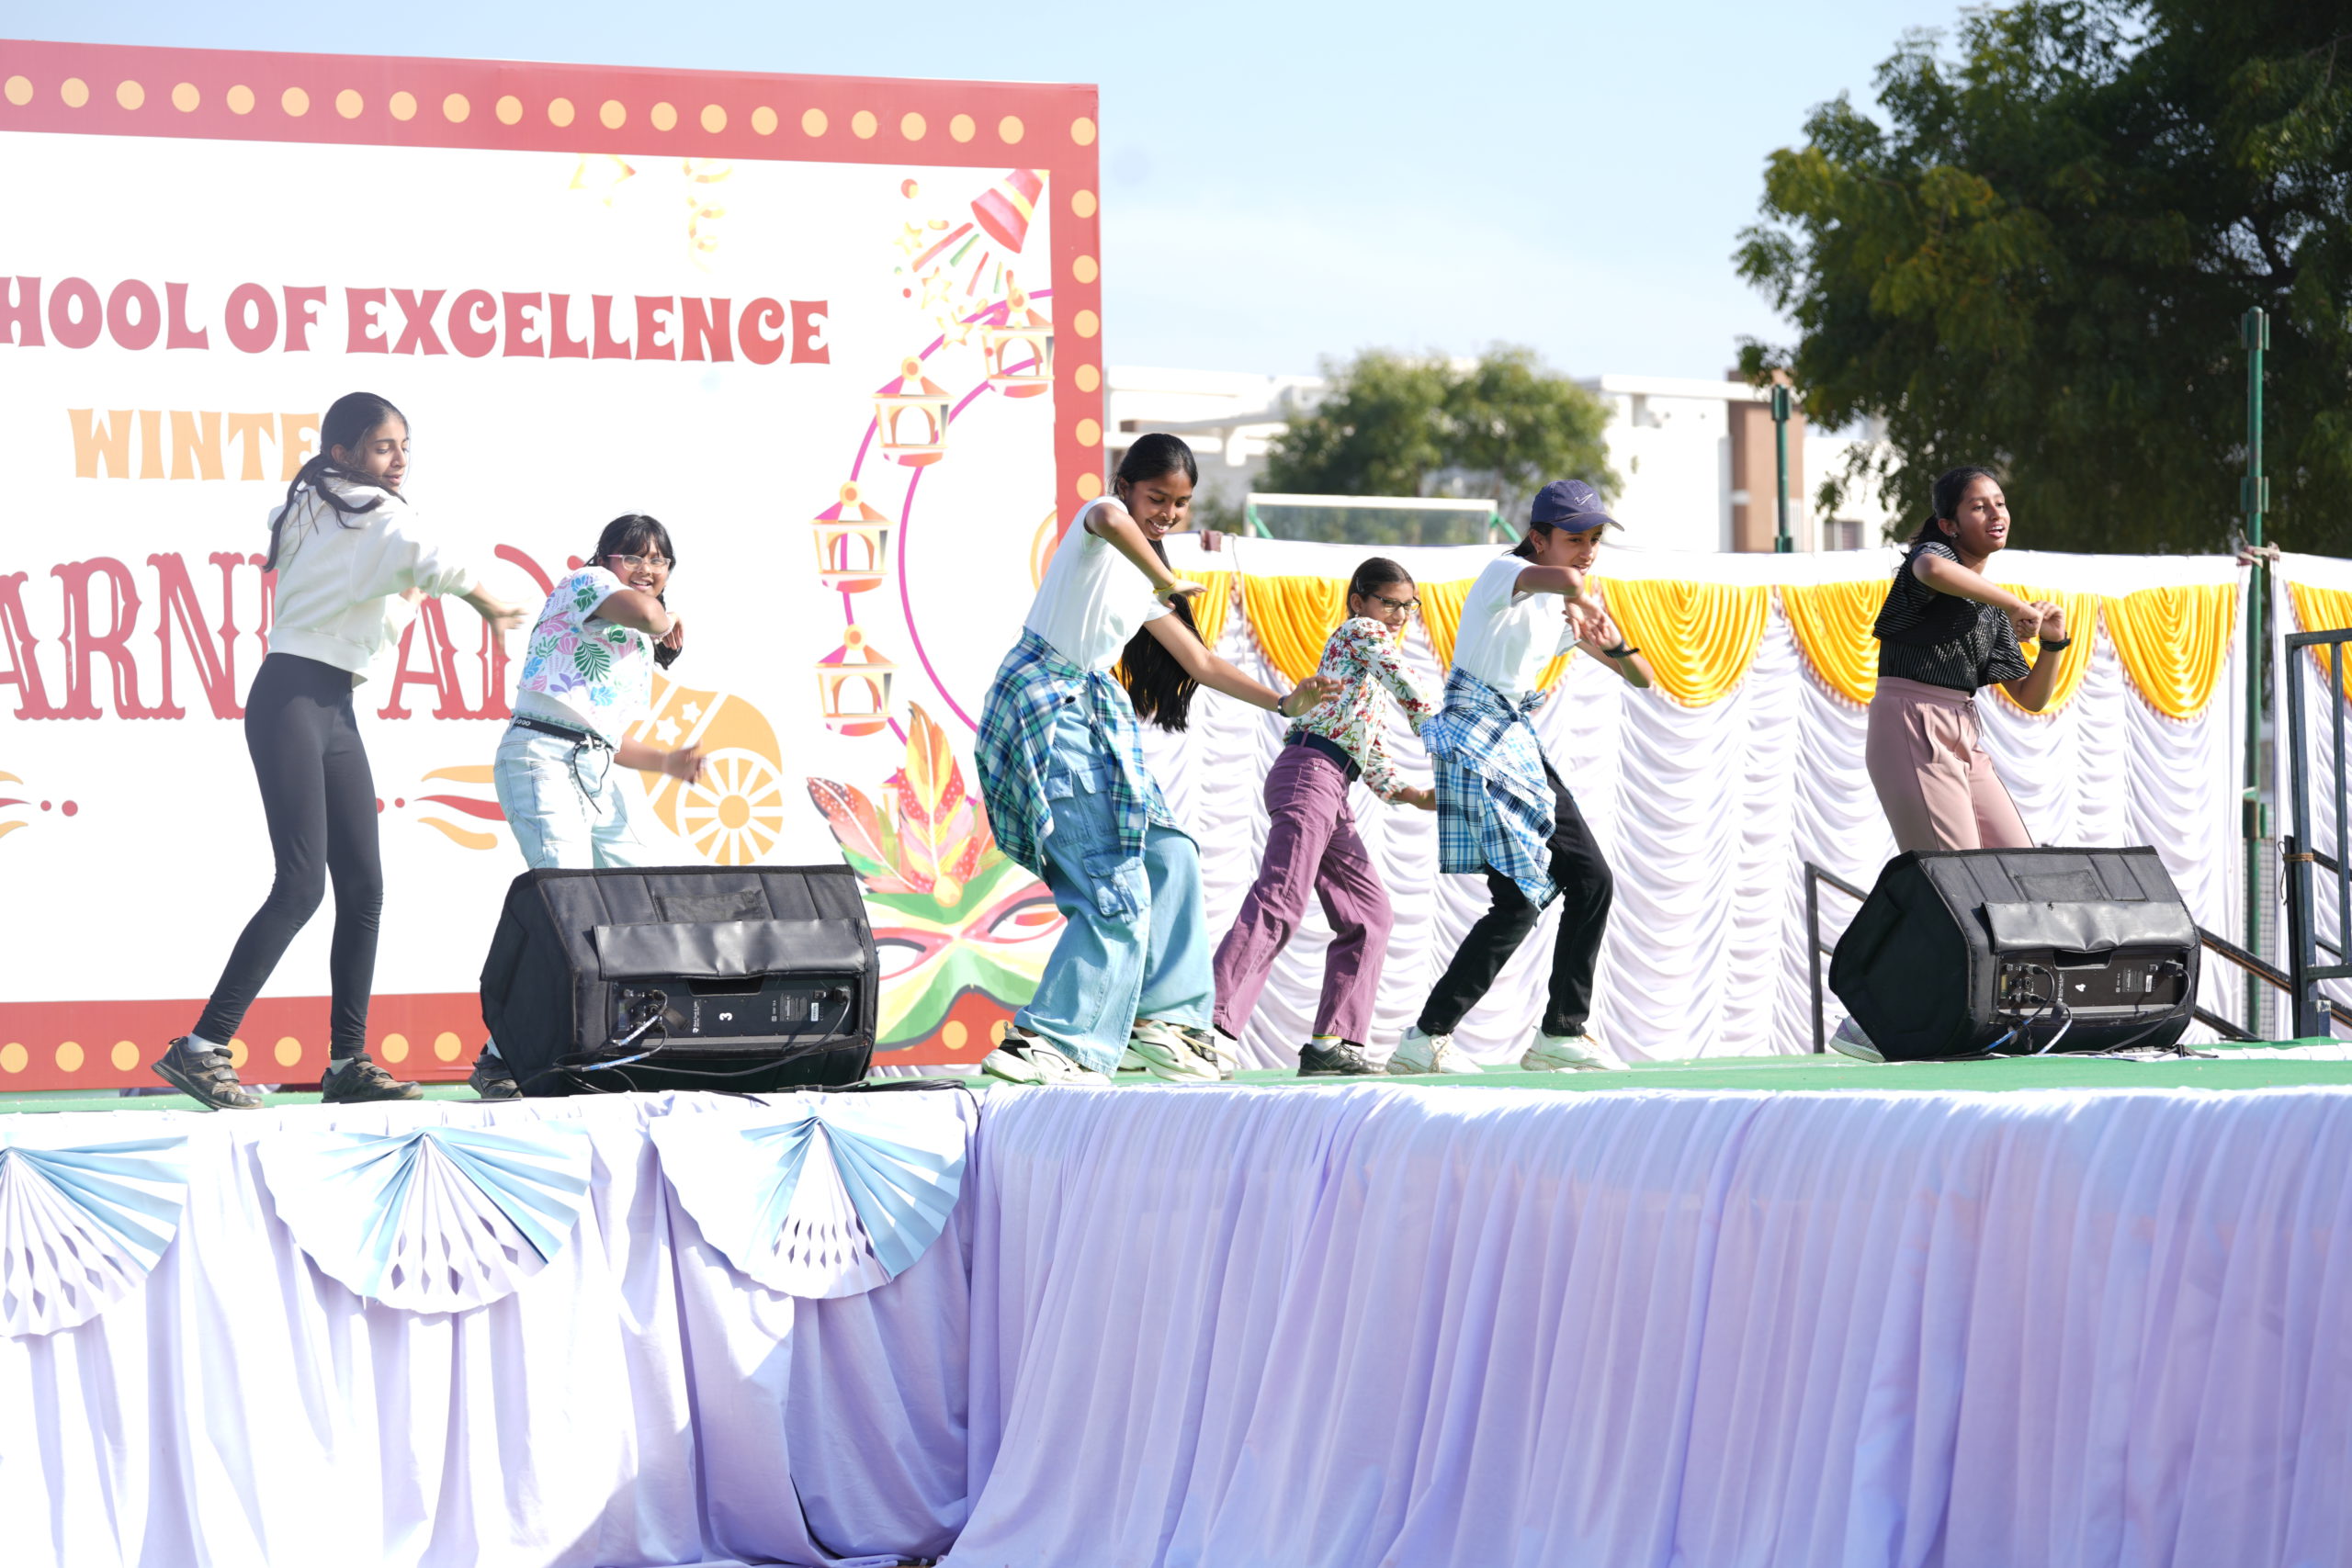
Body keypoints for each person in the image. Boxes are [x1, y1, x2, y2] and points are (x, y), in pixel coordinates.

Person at [154, 392, 527, 1111]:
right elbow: (437, 559)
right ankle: (201, 1047)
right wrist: (492, 603)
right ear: (342, 453)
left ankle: (348, 1062)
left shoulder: (327, 509)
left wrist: (410, 596)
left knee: (363, 887)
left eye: (405, 447)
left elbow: (381, 588)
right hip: (293, 701)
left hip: (330, 707)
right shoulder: (366, 510)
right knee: (301, 885)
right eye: (384, 446)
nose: (399, 459)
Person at [974, 434, 1338, 1086]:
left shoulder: (1140, 578)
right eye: (1156, 498)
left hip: (1093, 711)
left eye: (1180, 503)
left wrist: (1286, 702)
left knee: (1171, 854)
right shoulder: (1102, 524)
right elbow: (1110, 518)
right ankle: (1043, 1038)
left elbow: (1201, 662)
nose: (1167, 513)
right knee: (1115, 890)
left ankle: (1160, 1023)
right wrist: (1166, 576)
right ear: (1125, 485)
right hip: (1050, 707)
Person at [1395, 479, 1655, 1077]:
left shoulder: (1560, 600)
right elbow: (1568, 582)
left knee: (1588, 881)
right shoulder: (1502, 574)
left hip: (1513, 743)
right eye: (1575, 538)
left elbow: (1642, 676)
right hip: (1473, 741)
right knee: (1519, 901)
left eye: (1595, 539)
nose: (1588, 551)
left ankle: (1559, 1032)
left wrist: (1614, 641)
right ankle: (1426, 1038)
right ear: (1537, 539)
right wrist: (1581, 597)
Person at [1833, 466, 2069, 1063]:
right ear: (1948, 524)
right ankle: (1871, 1021)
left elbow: (2032, 697)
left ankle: (2002, 1015)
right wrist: (2018, 604)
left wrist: (2053, 643)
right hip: (1910, 722)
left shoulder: (1991, 610)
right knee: (1954, 888)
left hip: (1964, 730)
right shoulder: (1934, 561)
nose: (1996, 514)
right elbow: (1932, 570)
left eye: (2000, 503)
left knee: (2017, 870)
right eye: (1978, 506)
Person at [467, 514, 706, 1099]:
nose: (647, 568)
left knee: (636, 901)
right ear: (606, 558)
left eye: (660, 560)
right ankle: (499, 1057)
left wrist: (668, 761)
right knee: (565, 908)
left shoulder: (631, 642)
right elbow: (651, 614)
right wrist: (668, 617)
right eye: (634, 556)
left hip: (593, 768)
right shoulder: (587, 583)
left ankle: (617, 1045)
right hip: (541, 758)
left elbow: (608, 736)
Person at [1209, 558, 1439, 1077]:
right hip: (1308, 773)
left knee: (1371, 915)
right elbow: (1405, 681)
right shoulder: (1361, 633)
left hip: (1332, 785)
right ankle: (1211, 1027)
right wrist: (1439, 730)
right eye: (1389, 603)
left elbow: (1371, 756)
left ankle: (1331, 1043)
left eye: (1408, 606)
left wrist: (1417, 795)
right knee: (1280, 899)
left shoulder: (1367, 675)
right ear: (1359, 602)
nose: (1399, 615)